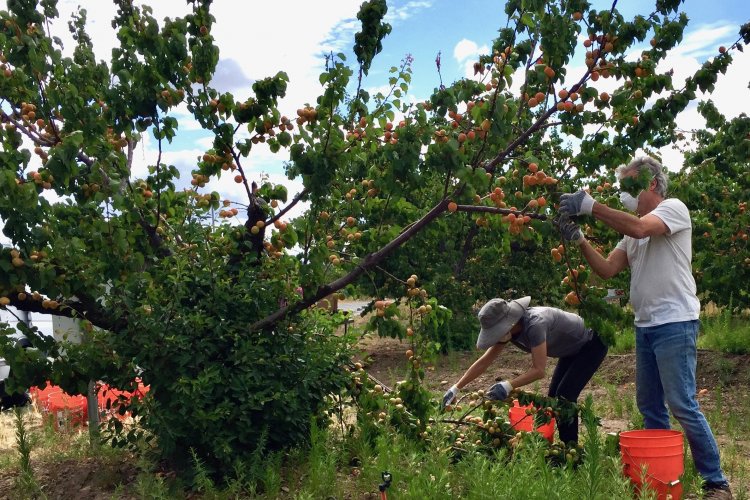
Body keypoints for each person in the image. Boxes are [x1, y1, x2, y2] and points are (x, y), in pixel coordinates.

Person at [557, 156, 732, 499]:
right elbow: (606, 270)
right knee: (650, 404)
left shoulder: (673, 209)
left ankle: (716, 482)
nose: (623, 195)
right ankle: (661, 478)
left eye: (628, 186)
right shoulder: (631, 235)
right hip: (646, 326)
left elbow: (639, 227)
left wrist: (591, 206)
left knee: (681, 403)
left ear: (651, 183)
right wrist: (579, 239)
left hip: (675, 322)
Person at [441, 296, 607, 445]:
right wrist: (456, 387)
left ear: (508, 324)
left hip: (592, 344)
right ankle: (565, 446)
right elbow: (484, 362)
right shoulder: (509, 332)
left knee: (564, 396)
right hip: (570, 350)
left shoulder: (535, 324)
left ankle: (571, 450)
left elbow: (539, 370)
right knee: (554, 397)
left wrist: (507, 386)